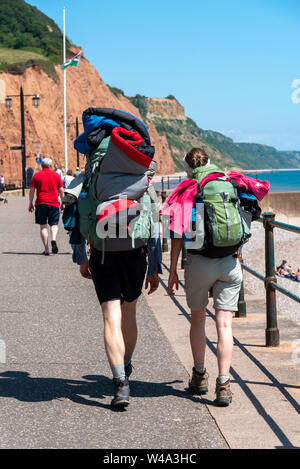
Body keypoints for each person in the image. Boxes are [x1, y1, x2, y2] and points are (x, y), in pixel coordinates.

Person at [72, 161, 162, 408]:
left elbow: (81, 214)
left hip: (103, 252)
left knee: (111, 317)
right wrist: (154, 267)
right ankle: (126, 363)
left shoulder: (95, 177)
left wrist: (81, 257)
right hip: (135, 252)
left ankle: (121, 383)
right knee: (129, 312)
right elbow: (155, 228)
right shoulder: (142, 183)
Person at [167, 148, 245, 407]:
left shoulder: (189, 188)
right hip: (230, 262)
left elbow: (178, 233)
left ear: (187, 167)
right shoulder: (226, 182)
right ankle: (224, 385)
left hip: (199, 263)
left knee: (198, 320)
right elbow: (241, 219)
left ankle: (199, 376)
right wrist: (238, 252)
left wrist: (173, 271)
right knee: (224, 326)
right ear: (210, 163)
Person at [29, 157, 64, 255]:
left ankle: (47, 249)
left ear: (41, 165)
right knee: (54, 225)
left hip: (41, 203)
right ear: (51, 165)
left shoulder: (36, 176)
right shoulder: (56, 175)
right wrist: (63, 203)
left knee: (43, 226)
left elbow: (32, 191)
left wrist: (30, 203)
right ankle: (53, 239)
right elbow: (61, 190)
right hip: (54, 203)